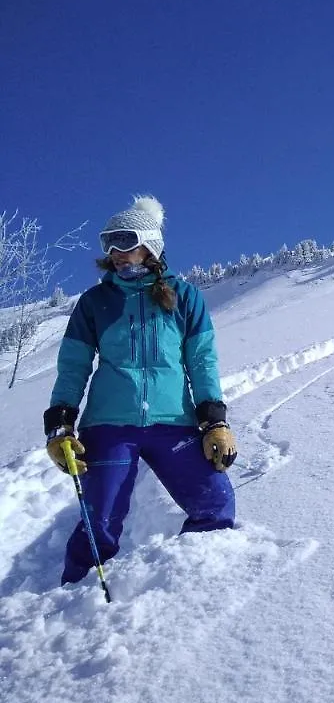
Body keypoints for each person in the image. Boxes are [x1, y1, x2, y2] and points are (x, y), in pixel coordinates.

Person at [42, 194, 238, 585]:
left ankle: (188, 588)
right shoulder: (96, 302)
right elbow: (73, 366)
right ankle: (73, 606)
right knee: (99, 524)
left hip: (174, 424)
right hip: (110, 426)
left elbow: (202, 362)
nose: (115, 252)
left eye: (125, 241)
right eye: (108, 243)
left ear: (151, 246)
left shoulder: (184, 297)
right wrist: (60, 425)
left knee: (215, 504)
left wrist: (214, 421)